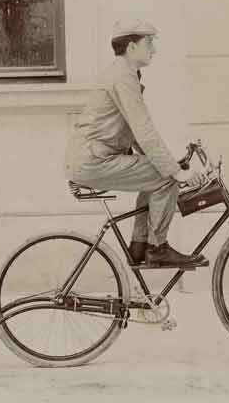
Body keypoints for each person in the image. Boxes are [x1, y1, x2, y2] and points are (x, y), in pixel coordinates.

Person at [64, 19, 209, 268]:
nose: (154, 50)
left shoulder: (122, 74)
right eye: (149, 43)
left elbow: (134, 132)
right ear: (131, 47)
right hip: (94, 161)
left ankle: (140, 246)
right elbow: (144, 131)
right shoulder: (122, 76)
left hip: (90, 158)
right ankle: (157, 247)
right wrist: (175, 172)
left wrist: (171, 164)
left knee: (157, 174)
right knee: (165, 178)